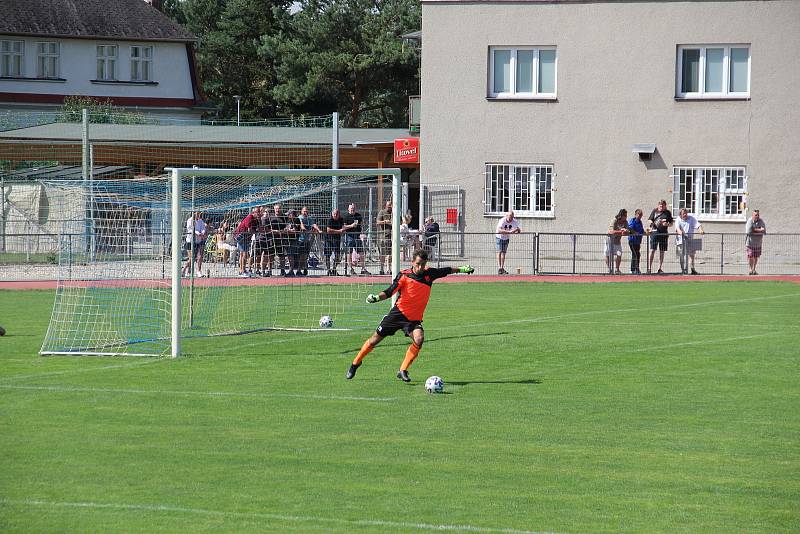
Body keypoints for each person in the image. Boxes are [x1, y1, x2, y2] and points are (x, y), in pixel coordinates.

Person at [345, 249, 474, 382]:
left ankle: (403, 370)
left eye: (423, 264)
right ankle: (355, 363)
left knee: (419, 339)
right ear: (412, 262)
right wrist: (376, 298)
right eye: (418, 264)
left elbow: (446, 270)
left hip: (413, 320)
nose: (420, 267)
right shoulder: (404, 276)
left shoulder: (429, 274)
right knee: (374, 340)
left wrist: (463, 269)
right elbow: (390, 291)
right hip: (397, 315)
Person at [646, 200, 673, 274]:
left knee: (662, 251)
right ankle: (649, 268)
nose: (661, 207)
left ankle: (659, 268)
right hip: (654, 233)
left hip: (663, 234)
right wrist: (652, 223)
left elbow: (671, 223)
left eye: (663, 206)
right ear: (658, 206)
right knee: (652, 250)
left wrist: (667, 224)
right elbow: (649, 220)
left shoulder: (667, 213)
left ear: (665, 206)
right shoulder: (654, 211)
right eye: (660, 206)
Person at [343, 203, 370, 275]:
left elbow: (361, 225)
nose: (352, 210)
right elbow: (343, 227)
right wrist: (351, 225)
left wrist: (362, 233)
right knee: (349, 252)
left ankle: (363, 268)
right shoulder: (346, 217)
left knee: (361, 252)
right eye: (351, 209)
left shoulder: (358, 216)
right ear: (348, 209)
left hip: (357, 236)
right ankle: (350, 269)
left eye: (353, 208)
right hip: (349, 236)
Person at [675, 208, 704, 274]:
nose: (685, 215)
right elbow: (677, 228)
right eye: (683, 214)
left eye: (686, 213)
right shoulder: (678, 219)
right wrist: (681, 232)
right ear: (680, 215)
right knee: (681, 256)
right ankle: (683, 269)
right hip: (680, 240)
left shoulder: (691, 218)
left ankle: (692, 269)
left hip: (690, 240)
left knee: (692, 255)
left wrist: (700, 230)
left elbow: (698, 225)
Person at [234, 207, 260, 277]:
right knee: (245, 254)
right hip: (241, 236)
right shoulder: (249, 218)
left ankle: (242, 271)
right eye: (257, 212)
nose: (259, 213)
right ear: (253, 212)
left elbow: (257, 228)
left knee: (243, 254)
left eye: (259, 212)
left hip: (246, 237)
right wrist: (256, 232)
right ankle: (243, 271)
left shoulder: (256, 220)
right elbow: (249, 230)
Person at [297, 205, 321, 276]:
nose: (305, 212)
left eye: (306, 211)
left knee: (306, 256)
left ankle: (304, 268)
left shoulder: (309, 218)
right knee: (301, 256)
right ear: (301, 211)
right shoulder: (300, 218)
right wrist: (305, 229)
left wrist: (318, 230)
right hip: (300, 240)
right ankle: (299, 270)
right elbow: (301, 225)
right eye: (304, 211)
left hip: (307, 240)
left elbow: (313, 224)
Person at [495, 211, 521, 275]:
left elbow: (518, 229)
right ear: (506, 216)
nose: (510, 219)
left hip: (506, 238)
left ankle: (502, 267)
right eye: (509, 217)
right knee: (499, 251)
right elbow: (499, 230)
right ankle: (499, 267)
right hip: (499, 237)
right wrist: (509, 232)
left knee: (504, 252)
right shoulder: (502, 220)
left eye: (512, 217)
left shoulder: (514, 221)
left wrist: (515, 230)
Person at [182, 211, 207, 277]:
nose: (199, 215)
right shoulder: (190, 220)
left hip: (199, 241)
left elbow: (203, 228)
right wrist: (198, 233)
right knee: (191, 258)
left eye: (200, 213)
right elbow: (190, 229)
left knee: (200, 256)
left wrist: (203, 232)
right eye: (197, 213)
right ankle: (184, 269)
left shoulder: (201, 221)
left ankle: (199, 271)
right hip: (190, 241)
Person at [267, 203, 289, 276]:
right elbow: (267, 228)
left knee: (282, 255)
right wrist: (274, 231)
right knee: (271, 255)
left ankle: (282, 271)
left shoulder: (284, 217)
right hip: (272, 238)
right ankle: (269, 271)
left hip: (281, 238)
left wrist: (283, 231)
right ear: (274, 209)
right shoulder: (270, 217)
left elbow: (287, 227)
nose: (277, 210)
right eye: (276, 208)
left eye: (279, 208)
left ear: (281, 209)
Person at [604, 209, 628, 275]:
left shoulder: (625, 222)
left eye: (626, 216)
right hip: (609, 239)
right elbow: (611, 231)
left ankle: (617, 269)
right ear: (621, 215)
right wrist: (621, 231)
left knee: (619, 254)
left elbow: (627, 231)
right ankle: (609, 269)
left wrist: (626, 231)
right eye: (625, 216)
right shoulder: (614, 220)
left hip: (617, 240)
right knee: (608, 254)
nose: (626, 217)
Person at [745, 209, 766, 275]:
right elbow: (748, 231)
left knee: (756, 256)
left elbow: (764, 231)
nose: (757, 216)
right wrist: (759, 229)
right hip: (750, 242)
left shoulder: (761, 221)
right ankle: (750, 269)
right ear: (752, 215)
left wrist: (754, 230)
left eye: (758, 215)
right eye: (755, 215)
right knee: (750, 256)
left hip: (758, 243)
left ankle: (754, 269)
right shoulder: (750, 221)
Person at [325, 208, 345, 275]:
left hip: (337, 239)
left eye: (337, 214)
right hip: (329, 239)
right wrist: (339, 231)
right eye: (334, 214)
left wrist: (351, 225)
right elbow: (328, 230)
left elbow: (343, 227)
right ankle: (328, 270)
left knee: (337, 255)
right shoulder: (330, 220)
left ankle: (334, 269)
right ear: (332, 214)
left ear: (339, 214)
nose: (335, 215)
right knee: (327, 255)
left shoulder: (341, 219)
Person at [376, 200, 393, 275]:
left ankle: (389, 269)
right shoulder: (382, 212)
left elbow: (401, 221)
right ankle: (381, 268)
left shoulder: (394, 213)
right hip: (383, 236)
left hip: (392, 236)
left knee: (390, 253)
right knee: (382, 253)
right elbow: (378, 222)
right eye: (388, 205)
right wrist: (385, 221)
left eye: (391, 205)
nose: (390, 207)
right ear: (386, 206)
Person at [627, 208, 644, 274]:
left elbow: (641, 230)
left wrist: (645, 232)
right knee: (635, 254)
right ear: (636, 214)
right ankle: (632, 269)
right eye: (639, 215)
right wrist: (635, 232)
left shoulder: (640, 222)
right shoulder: (632, 220)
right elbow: (630, 228)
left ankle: (637, 269)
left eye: (641, 215)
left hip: (638, 241)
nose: (640, 216)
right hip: (632, 240)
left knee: (638, 254)